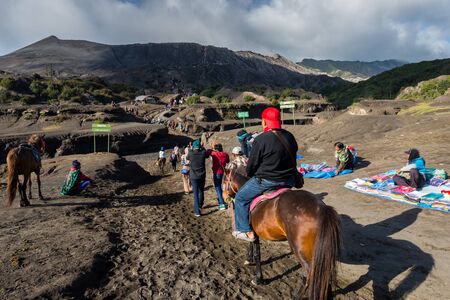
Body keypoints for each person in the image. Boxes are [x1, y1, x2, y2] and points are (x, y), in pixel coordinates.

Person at [233, 107, 299, 242]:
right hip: (288, 180)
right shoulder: (289, 136)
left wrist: (251, 173)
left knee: (240, 198)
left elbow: (252, 165)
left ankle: (245, 231)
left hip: (267, 181)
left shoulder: (261, 139)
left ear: (264, 122)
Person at [187, 140, 208, 217]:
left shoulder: (191, 153)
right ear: (200, 146)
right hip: (202, 175)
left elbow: (187, 157)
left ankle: (197, 211)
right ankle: (200, 204)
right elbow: (205, 151)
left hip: (193, 176)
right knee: (201, 190)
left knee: (195, 194)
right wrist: (202, 146)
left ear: (193, 146)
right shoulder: (203, 153)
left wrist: (190, 147)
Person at [206, 143, 230, 210]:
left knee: (218, 187)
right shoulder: (225, 154)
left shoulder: (214, 154)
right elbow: (228, 161)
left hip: (216, 172)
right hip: (223, 172)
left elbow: (208, 151)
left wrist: (212, 149)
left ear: (216, 149)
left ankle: (222, 203)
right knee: (221, 186)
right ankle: (222, 199)